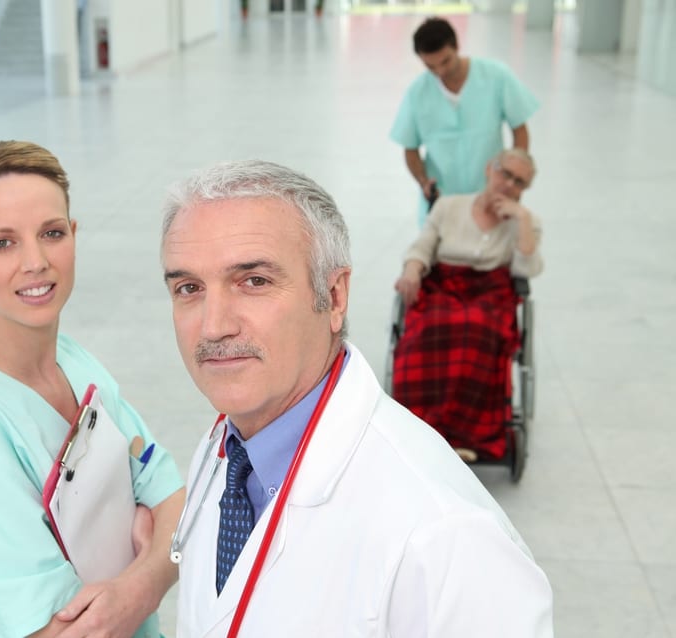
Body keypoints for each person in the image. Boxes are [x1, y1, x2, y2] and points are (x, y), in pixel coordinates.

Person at [159, 159, 553, 637]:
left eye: (254, 281)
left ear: (335, 295)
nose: (214, 325)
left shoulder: (443, 534)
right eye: (188, 288)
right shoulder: (227, 446)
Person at [0, 140, 184, 638]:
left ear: (74, 236)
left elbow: (175, 503)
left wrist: (135, 584)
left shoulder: (74, 362)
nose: (35, 262)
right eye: (2, 243)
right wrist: (149, 566)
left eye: (51, 233)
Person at [392, 148, 543, 462]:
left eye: (519, 182)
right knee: (430, 329)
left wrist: (523, 219)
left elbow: (525, 270)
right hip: (443, 285)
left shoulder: (525, 222)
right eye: (505, 173)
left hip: (491, 293)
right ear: (490, 169)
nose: (509, 184)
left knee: (475, 329)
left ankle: (465, 436)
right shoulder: (449, 206)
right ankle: (420, 431)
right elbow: (423, 246)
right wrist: (412, 268)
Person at [390, 16, 539, 226]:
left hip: (491, 193)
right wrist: (423, 181)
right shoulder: (417, 92)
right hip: (442, 200)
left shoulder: (496, 76)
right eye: (430, 66)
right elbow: (410, 149)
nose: (440, 72)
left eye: (445, 61)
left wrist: (514, 180)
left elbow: (519, 129)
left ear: (457, 46)